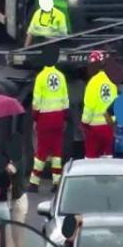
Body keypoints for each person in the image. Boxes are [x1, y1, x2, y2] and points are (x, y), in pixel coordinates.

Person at [30, 45, 70, 193]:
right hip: (59, 117)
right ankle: (56, 183)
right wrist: (65, 117)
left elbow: (36, 101)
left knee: (41, 152)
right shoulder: (61, 76)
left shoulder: (41, 77)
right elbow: (65, 99)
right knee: (57, 151)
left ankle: (34, 183)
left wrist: (35, 118)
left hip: (45, 118)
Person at [81, 51, 118, 158]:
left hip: (94, 129)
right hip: (109, 126)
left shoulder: (92, 83)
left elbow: (89, 106)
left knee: (91, 159)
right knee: (107, 158)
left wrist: (84, 122)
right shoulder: (111, 81)